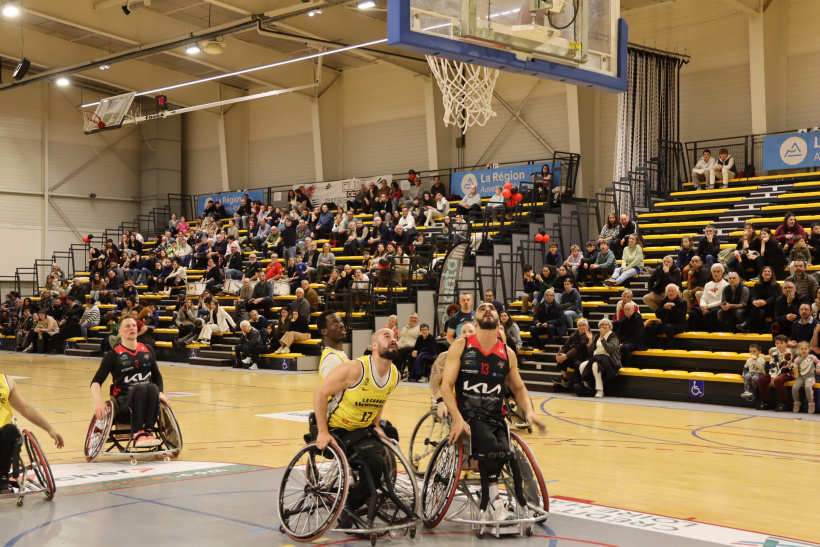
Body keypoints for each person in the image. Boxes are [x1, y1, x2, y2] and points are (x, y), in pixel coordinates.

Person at [439, 302, 546, 521]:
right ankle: (494, 503)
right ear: (475, 320)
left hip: (496, 417)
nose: (487, 309)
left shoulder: (507, 353)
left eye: (492, 308)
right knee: (490, 445)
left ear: (499, 319)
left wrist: (529, 412)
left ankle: (519, 500)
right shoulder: (460, 346)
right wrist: (457, 418)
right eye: (482, 308)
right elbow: (445, 386)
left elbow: (518, 388)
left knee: (506, 451)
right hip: (467, 414)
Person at [313, 329, 401, 521]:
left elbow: (380, 397)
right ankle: (350, 506)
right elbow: (320, 392)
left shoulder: (395, 374)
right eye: (387, 337)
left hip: (362, 428)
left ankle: (369, 491)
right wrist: (322, 431)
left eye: (395, 337)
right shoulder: (355, 369)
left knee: (390, 435)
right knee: (375, 462)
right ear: (374, 345)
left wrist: (376, 425)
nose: (393, 339)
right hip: (337, 427)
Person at [90, 316, 171, 448]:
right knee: (141, 387)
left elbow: (157, 375)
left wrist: (160, 393)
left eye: (134, 326)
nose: (132, 328)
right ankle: (138, 432)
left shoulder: (148, 349)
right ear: (120, 331)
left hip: (148, 402)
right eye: (127, 326)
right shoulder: (113, 355)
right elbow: (96, 381)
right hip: (124, 404)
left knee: (152, 387)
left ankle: (148, 431)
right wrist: (99, 401)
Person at [0, 374, 65, 494]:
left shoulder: (6, 381)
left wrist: (50, 429)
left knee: (10, 430)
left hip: (3, 437)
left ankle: (2, 476)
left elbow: (25, 408)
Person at [575, 318, 621, 398]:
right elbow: (591, 351)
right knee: (582, 365)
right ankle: (587, 387)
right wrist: (590, 340)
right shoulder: (596, 336)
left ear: (610, 326)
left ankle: (600, 390)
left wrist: (603, 339)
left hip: (610, 360)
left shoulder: (614, 336)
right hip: (596, 358)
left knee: (595, 364)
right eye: (602, 325)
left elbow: (610, 349)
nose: (604, 326)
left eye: (606, 324)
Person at [737, 266, 781, 334]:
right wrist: (754, 301)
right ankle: (759, 331)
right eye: (765, 271)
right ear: (762, 274)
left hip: (771, 307)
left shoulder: (776, 285)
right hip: (759, 307)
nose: (767, 273)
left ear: (772, 274)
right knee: (760, 311)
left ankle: (746, 324)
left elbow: (774, 297)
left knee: (758, 308)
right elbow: (753, 295)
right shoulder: (757, 285)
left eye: (769, 271)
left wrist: (765, 302)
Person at [757, 335, 794, 411]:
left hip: (787, 373)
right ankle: (766, 401)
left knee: (778, 380)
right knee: (761, 380)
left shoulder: (789, 354)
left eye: (781, 343)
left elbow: (785, 367)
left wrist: (774, 378)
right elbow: (772, 366)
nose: (779, 345)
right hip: (775, 373)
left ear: (786, 344)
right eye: (777, 343)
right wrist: (773, 377)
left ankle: (783, 402)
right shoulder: (774, 354)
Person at [645, 284, 688, 349]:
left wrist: (673, 307)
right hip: (665, 324)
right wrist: (663, 308)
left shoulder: (682, 302)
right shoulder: (664, 301)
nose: (671, 293)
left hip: (679, 325)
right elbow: (658, 315)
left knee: (668, 327)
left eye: (673, 291)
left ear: (677, 292)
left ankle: (670, 347)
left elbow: (681, 317)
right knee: (649, 327)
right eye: (669, 291)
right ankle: (656, 345)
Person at [553, 318, 592, 388]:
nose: (582, 327)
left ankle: (579, 383)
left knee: (577, 364)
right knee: (561, 359)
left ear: (588, 326)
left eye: (584, 325)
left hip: (584, 358)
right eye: (580, 325)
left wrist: (566, 356)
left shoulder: (589, 336)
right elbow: (565, 346)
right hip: (573, 357)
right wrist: (559, 354)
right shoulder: (574, 334)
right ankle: (565, 379)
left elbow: (577, 349)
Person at [688, 264, 728, 332]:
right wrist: (703, 307)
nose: (716, 273)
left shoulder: (726, 285)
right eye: (714, 271)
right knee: (693, 312)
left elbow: (722, 301)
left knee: (708, 314)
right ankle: (693, 333)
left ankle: (709, 334)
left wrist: (707, 307)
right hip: (706, 306)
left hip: (717, 307)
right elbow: (703, 298)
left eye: (718, 271)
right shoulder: (708, 284)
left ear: (722, 273)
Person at [318, 311, 348, 380]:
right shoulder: (331, 360)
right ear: (324, 331)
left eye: (341, 321)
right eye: (335, 323)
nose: (341, 325)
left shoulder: (337, 355)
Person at [791, 341, 819, 413]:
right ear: (799, 350)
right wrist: (794, 371)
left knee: (808, 387)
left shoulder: (812, 357)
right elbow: (795, 368)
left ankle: (811, 403)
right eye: (802, 349)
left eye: (805, 349)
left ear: (809, 349)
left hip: (810, 376)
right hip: (800, 377)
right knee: (794, 388)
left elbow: (818, 362)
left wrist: (818, 367)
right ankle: (796, 402)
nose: (804, 350)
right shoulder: (797, 359)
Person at [615, 302, 646, 367]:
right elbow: (619, 332)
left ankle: (626, 366)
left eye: (628, 309)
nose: (626, 311)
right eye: (625, 309)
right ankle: (616, 366)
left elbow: (636, 336)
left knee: (626, 348)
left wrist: (624, 344)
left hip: (636, 342)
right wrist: (618, 341)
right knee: (614, 345)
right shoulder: (624, 319)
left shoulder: (637, 319)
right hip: (626, 341)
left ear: (633, 310)